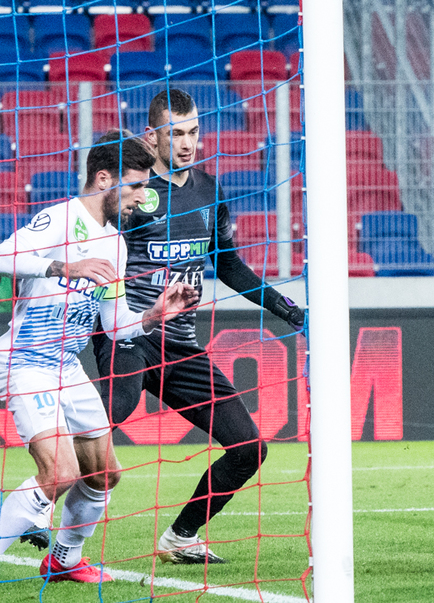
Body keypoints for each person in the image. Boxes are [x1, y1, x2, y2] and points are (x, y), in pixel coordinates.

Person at [95, 88, 304, 565]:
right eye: (176, 133)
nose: (188, 143)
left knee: (249, 449)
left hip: (182, 346)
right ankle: (39, 505)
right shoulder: (133, 193)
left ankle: (181, 537)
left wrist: (286, 307)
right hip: (130, 336)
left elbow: (228, 265)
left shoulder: (209, 191)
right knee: (107, 418)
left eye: (193, 131)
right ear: (151, 137)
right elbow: (96, 257)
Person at [0, 133, 198, 583]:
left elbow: (115, 326)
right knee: (59, 472)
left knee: (104, 474)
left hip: (67, 367)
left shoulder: (115, 243)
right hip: (27, 360)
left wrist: (152, 316)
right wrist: (64, 267)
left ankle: (64, 559)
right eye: (134, 186)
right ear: (104, 179)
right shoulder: (61, 218)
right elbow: (4, 256)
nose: (141, 198)